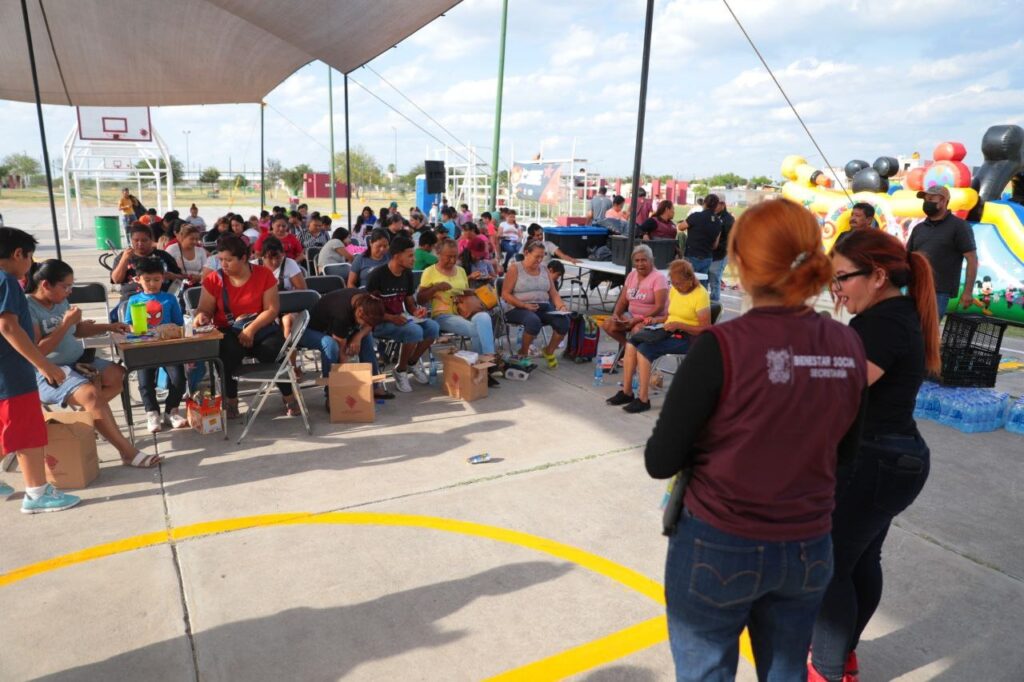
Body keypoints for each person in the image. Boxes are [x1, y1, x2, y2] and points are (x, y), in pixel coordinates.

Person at [644, 198, 867, 681]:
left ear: (739, 264)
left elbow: (661, 460)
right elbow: (845, 455)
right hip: (808, 544)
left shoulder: (723, 346)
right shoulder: (848, 344)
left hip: (721, 540)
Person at [810, 229, 940, 682]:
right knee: (859, 561)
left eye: (843, 278)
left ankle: (824, 670)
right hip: (893, 460)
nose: (837, 289)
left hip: (878, 461)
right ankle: (841, 658)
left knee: (826, 567)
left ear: (878, 275)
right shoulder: (895, 314)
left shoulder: (883, 322)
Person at [26, 258, 160, 468]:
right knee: (91, 395)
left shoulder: (61, 301)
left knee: (118, 376)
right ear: (45, 285)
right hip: (49, 370)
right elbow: (37, 351)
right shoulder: (29, 308)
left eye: (71, 285)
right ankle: (127, 451)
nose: (69, 291)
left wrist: (111, 326)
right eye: (65, 286)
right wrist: (65, 324)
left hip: (79, 360)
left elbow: (77, 330)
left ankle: (90, 416)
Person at [0, 231, 82, 512]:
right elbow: (9, 327)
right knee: (27, 433)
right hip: (12, 372)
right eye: (29, 257)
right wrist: (44, 365)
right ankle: (37, 494)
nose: (30, 265)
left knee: (6, 428)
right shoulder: (7, 281)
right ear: (18, 254)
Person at [194, 234, 297, 418]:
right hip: (229, 329)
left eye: (228, 260)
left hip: (260, 325)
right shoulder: (214, 279)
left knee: (275, 350)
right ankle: (231, 401)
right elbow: (204, 308)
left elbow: (272, 310)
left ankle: (289, 396)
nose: (223, 265)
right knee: (226, 353)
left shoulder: (263, 274)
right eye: (220, 260)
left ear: (243, 258)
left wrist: (251, 329)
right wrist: (202, 316)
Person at [607, 259, 709, 413]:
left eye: (679, 283)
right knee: (632, 343)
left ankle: (643, 399)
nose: (675, 287)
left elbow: (706, 328)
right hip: (670, 330)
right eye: (673, 283)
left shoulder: (700, 294)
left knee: (644, 350)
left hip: (690, 337)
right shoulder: (675, 290)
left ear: (690, 279)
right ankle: (627, 392)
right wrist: (655, 320)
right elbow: (670, 316)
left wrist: (680, 325)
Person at [418, 241, 499, 385]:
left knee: (484, 317)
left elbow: (464, 293)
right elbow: (420, 298)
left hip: (464, 312)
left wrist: (471, 291)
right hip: (443, 315)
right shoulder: (430, 271)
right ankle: (483, 367)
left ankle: (487, 359)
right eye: (448, 257)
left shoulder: (460, 271)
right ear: (439, 254)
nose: (452, 260)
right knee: (476, 330)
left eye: (455, 257)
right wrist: (436, 288)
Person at [123, 259, 189, 434]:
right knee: (145, 382)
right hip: (143, 347)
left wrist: (169, 331)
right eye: (147, 280)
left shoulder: (170, 299)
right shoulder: (134, 300)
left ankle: (171, 411)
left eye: (156, 279)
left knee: (179, 380)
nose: (152, 284)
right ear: (138, 279)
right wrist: (136, 329)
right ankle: (151, 412)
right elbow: (128, 324)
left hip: (168, 347)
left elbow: (179, 323)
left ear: (163, 279)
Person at [367, 236, 439, 393]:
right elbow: (367, 310)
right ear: (397, 255)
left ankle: (411, 363)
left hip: (400, 319)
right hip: (378, 323)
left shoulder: (407, 274)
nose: (413, 259)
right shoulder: (377, 275)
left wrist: (416, 311)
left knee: (433, 326)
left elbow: (409, 302)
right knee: (414, 331)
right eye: (410, 255)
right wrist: (391, 317)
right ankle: (400, 370)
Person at [304, 289, 393, 403]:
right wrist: (346, 376)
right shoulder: (341, 313)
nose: (365, 325)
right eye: (364, 322)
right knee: (331, 345)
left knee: (366, 337)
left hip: (338, 328)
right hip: (313, 330)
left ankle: (374, 386)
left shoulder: (368, 301)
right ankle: (331, 392)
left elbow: (369, 326)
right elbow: (340, 349)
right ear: (359, 312)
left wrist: (358, 337)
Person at [905, 185, 978, 320]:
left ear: (943, 201)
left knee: (927, 333)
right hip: (914, 289)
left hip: (938, 292)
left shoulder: (959, 226)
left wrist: (968, 292)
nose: (927, 202)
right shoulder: (919, 228)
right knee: (907, 331)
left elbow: (972, 259)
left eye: (931, 199)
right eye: (925, 199)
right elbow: (907, 258)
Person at [501, 241, 571, 368]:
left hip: (543, 306)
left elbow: (553, 292)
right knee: (533, 321)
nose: (539, 260)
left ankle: (549, 351)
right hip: (517, 308)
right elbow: (505, 294)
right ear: (526, 253)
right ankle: (523, 352)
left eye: (542, 256)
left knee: (563, 321)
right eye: (537, 256)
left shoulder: (544, 268)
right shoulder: (515, 268)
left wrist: (561, 306)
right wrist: (524, 305)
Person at [601, 244, 669, 347]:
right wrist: (616, 315)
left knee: (637, 330)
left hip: (653, 318)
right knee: (608, 324)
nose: (640, 264)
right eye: (637, 261)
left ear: (651, 260)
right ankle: (628, 348)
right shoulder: (631, 275)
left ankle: (633, 354)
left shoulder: (659, 278)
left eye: (643, 260)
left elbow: (659, 306)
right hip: (632, 316)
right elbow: (623, 300)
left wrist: (638, 319)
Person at [110, 223, 184, 295]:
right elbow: (116, 280)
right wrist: (124, 260)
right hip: (132, 298)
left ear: (151, 240)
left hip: (161, 298)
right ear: (131, 240)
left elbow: (181, 277)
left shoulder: (163, 255)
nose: (140, 244)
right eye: (136, 240)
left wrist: (173, 276)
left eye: (144, 240)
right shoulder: (123, 257)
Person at [679, 193, 723, 277]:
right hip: (707, 257)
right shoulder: (718, 222)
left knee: (688, 282)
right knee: (702, 283)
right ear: (716, 206)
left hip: (692, 255)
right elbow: (715, 245)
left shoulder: (695, 216)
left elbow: (680, 227)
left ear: (704, 203)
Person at [707, 198, 734, 303]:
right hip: (710, 252)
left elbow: (729, 239)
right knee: (707, 277)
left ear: (722, 204)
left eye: (716, 204)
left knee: (714, 278)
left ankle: (714, 302)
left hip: (721, 254)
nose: (714, 207)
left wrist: (718, 247)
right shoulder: (713, 216)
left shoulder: (728, 219)